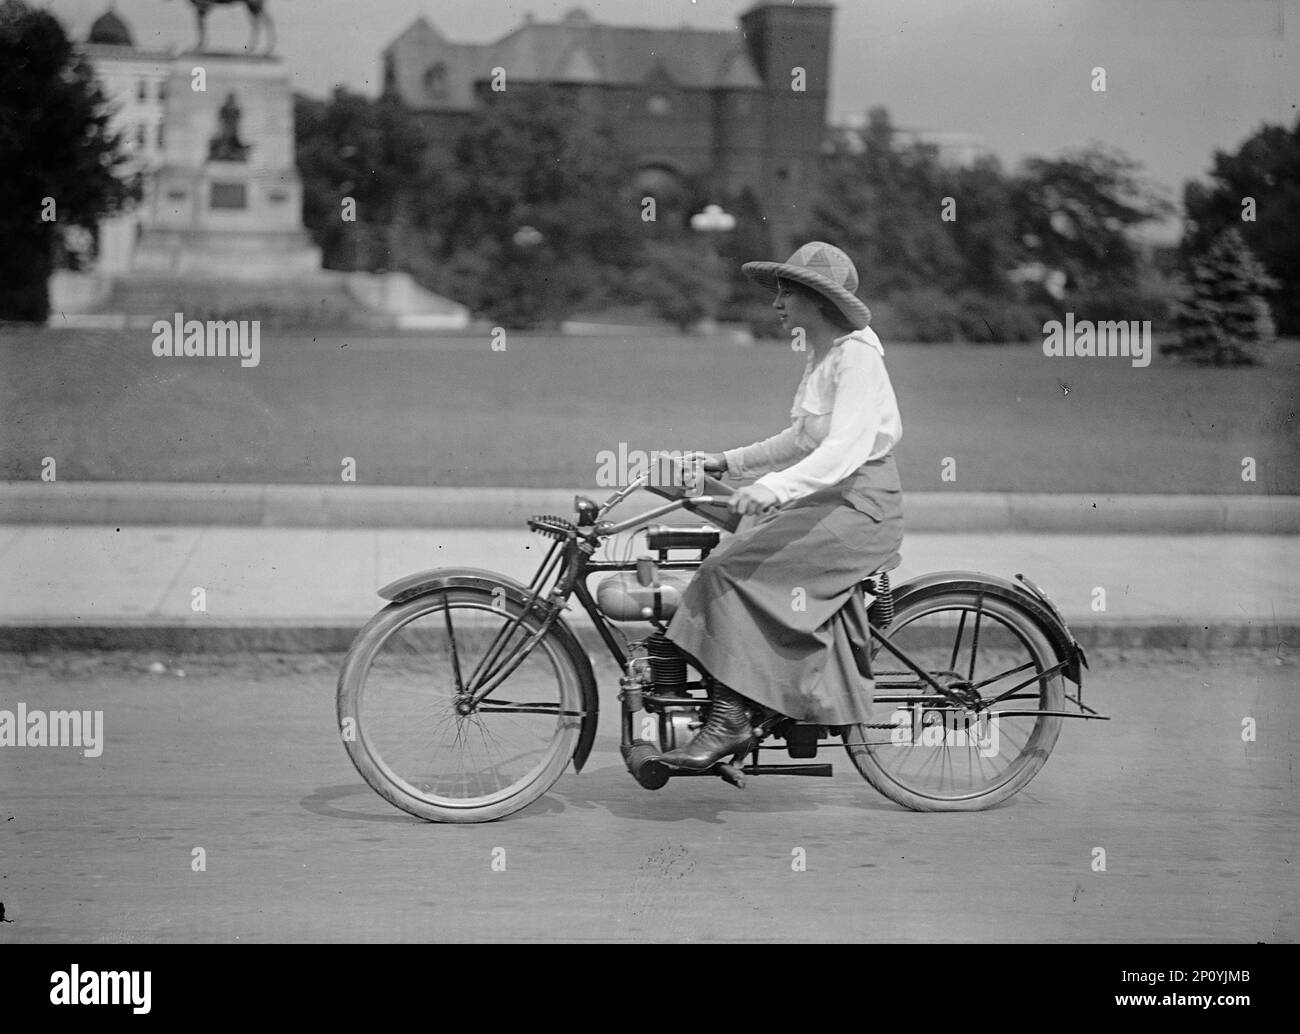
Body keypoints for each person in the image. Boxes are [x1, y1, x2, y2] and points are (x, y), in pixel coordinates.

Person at [655, 241, 904, 773]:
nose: (776, 304)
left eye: (786, 292)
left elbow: (844, 450)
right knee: (727, 551)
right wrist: (727, 461)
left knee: (729, 571)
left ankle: (732, 718)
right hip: (830, 496)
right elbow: (802, 439)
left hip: (859, 507)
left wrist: (772, 490)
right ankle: (727, 692)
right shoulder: (826, 354)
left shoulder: (856, 359)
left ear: (817, 298)